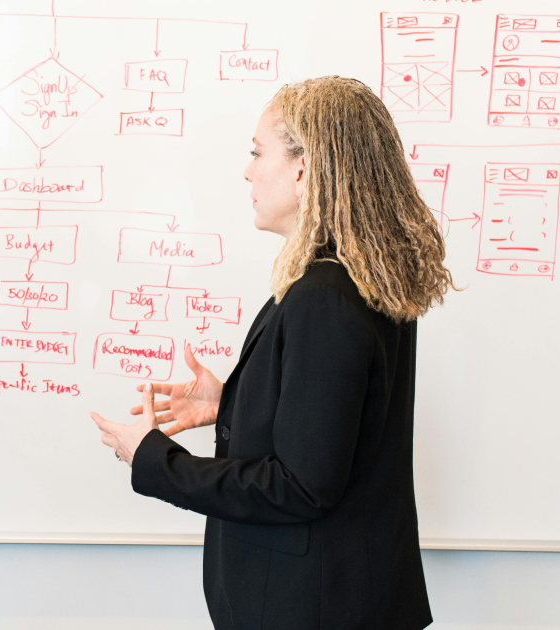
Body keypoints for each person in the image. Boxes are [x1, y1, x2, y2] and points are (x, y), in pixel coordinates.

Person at [91, 76, 454, 629]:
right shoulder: (364, 281)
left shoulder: (325, 297)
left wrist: (153, 459)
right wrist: (233, 401)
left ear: (304, 169)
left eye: (258, 153)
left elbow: (302, 485)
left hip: (315, 611)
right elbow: (337, 426)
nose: (247, 171)